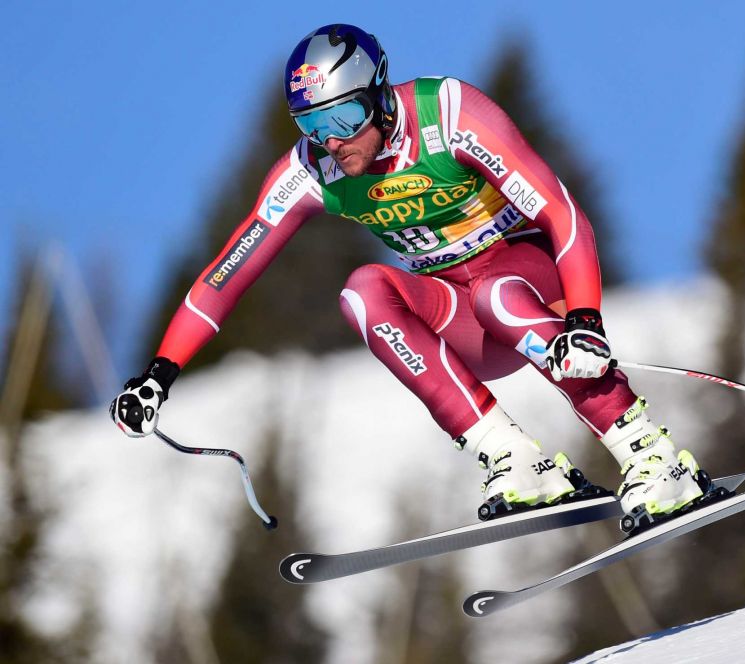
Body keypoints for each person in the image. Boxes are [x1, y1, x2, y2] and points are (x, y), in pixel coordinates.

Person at [110, 23, 706, 519]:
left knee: (496, 293)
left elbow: (562, 212)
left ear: (377, 94)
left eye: (342, 119)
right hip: (461, 313)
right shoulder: (312, 171)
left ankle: (653, 458)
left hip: (531, 285)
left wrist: (583, 317)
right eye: (312, 127)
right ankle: (515, 458)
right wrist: (159, 374)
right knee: (363, 293)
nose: (332, 142)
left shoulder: (448, 116)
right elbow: (226, 274)